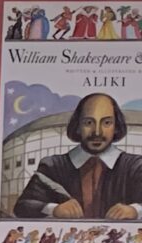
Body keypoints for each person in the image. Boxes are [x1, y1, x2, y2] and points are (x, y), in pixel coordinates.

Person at [13, 92, 142, 220]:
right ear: (78, 127)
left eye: (107, 122)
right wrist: (54, 209)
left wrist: (135, 210)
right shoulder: (52, 166)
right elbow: (23, 206)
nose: (97, 132)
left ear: (117, 127)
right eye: (88, 123)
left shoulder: (136, 166)